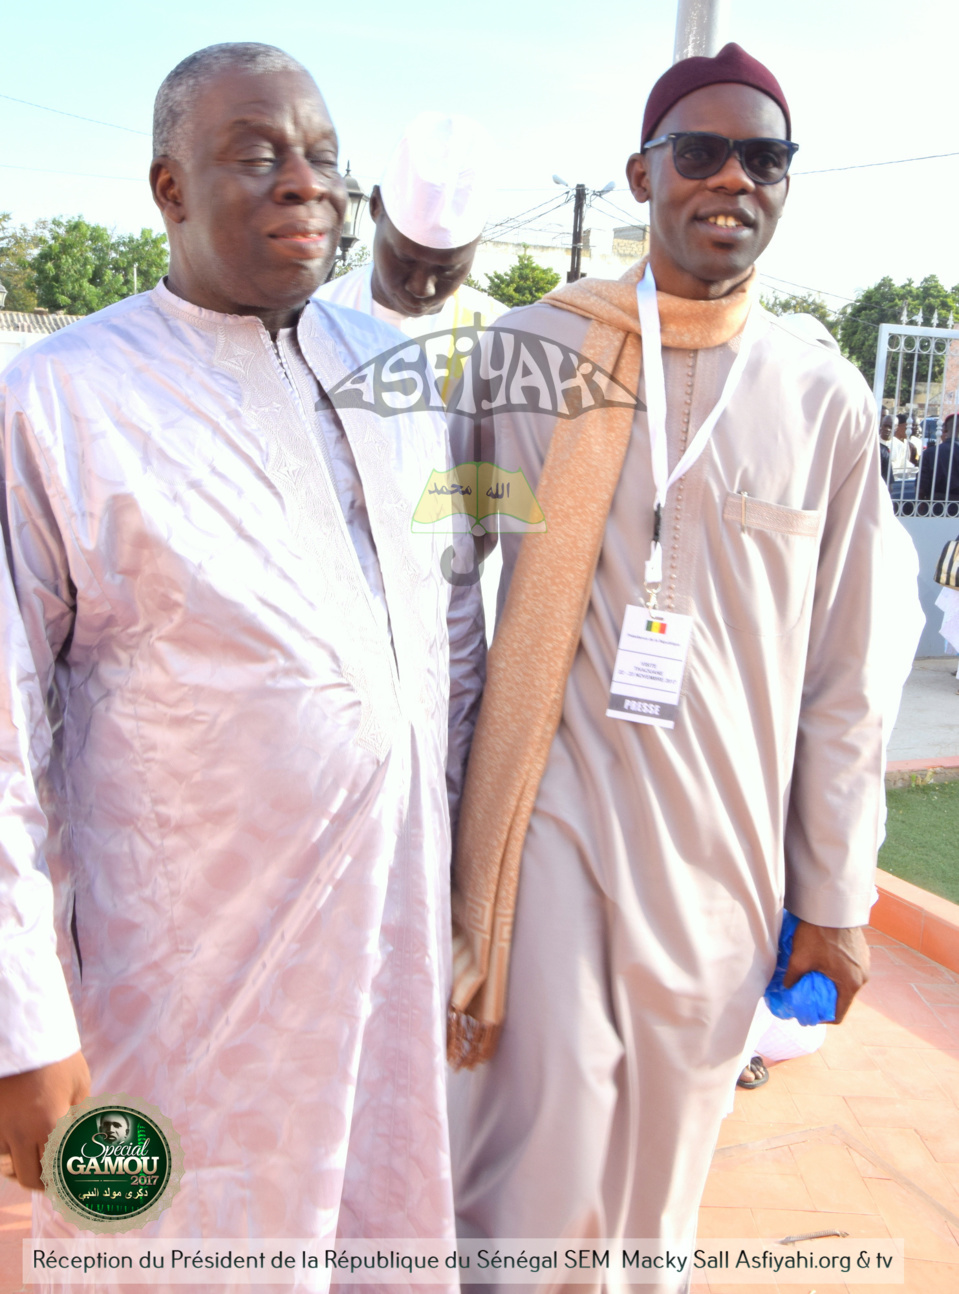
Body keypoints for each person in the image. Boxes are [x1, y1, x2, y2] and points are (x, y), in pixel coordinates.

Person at [0, 40, 483, 1280]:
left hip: (387, 946)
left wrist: (470, 900)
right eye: (256, 154)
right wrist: (21, 1022)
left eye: (322, 156)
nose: (302, 184)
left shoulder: (389, 377)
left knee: (376, 1229)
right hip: (181, 978)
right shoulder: (61, 395)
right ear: (167, 188)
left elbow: (452, 639)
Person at [446, 42, 918, 1291]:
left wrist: (836, 895)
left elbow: (847, 672)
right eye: (698, 152)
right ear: (639, 174)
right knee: (529, 1161)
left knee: (658, 1194)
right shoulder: (524, 353)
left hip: (720, 855)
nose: (731, 179)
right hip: (549, 830)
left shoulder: (822, 394)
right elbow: (432, 588)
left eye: (762, 158)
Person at [316, 112, 506, 403]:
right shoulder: (313, 320)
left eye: (447, 269)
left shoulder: (498, 336)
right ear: (376, 207)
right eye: (404, 259)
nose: (422, 287)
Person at [917, 413, 959, 515]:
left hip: (935, 507)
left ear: (944, 430)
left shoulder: (929, 453)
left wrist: (921, 504)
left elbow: (921, 486)